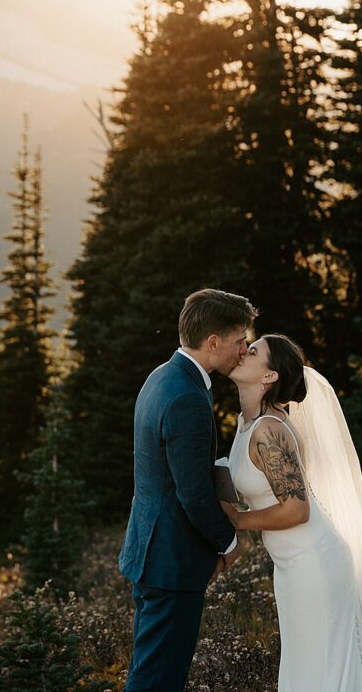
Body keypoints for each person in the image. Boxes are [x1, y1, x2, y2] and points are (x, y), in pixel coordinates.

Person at [225, 333, 362, 692]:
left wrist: (238, 520)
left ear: (270, 376)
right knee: (308, 667)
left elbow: (297, 510)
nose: (242, 353)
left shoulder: (269, 431)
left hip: (314, 563)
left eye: (253, 352)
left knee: (322, 672)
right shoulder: (247, 424)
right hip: (292, 565)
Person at [118, 288, 258, 692]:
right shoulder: (186, 398)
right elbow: (192, 493)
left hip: (151, 550)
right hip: (171, 561)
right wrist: (227, 542)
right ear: (213, 342)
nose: (243, 350)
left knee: (150, 671)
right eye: (238, 341)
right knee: (158, 680)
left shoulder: (162, 376)